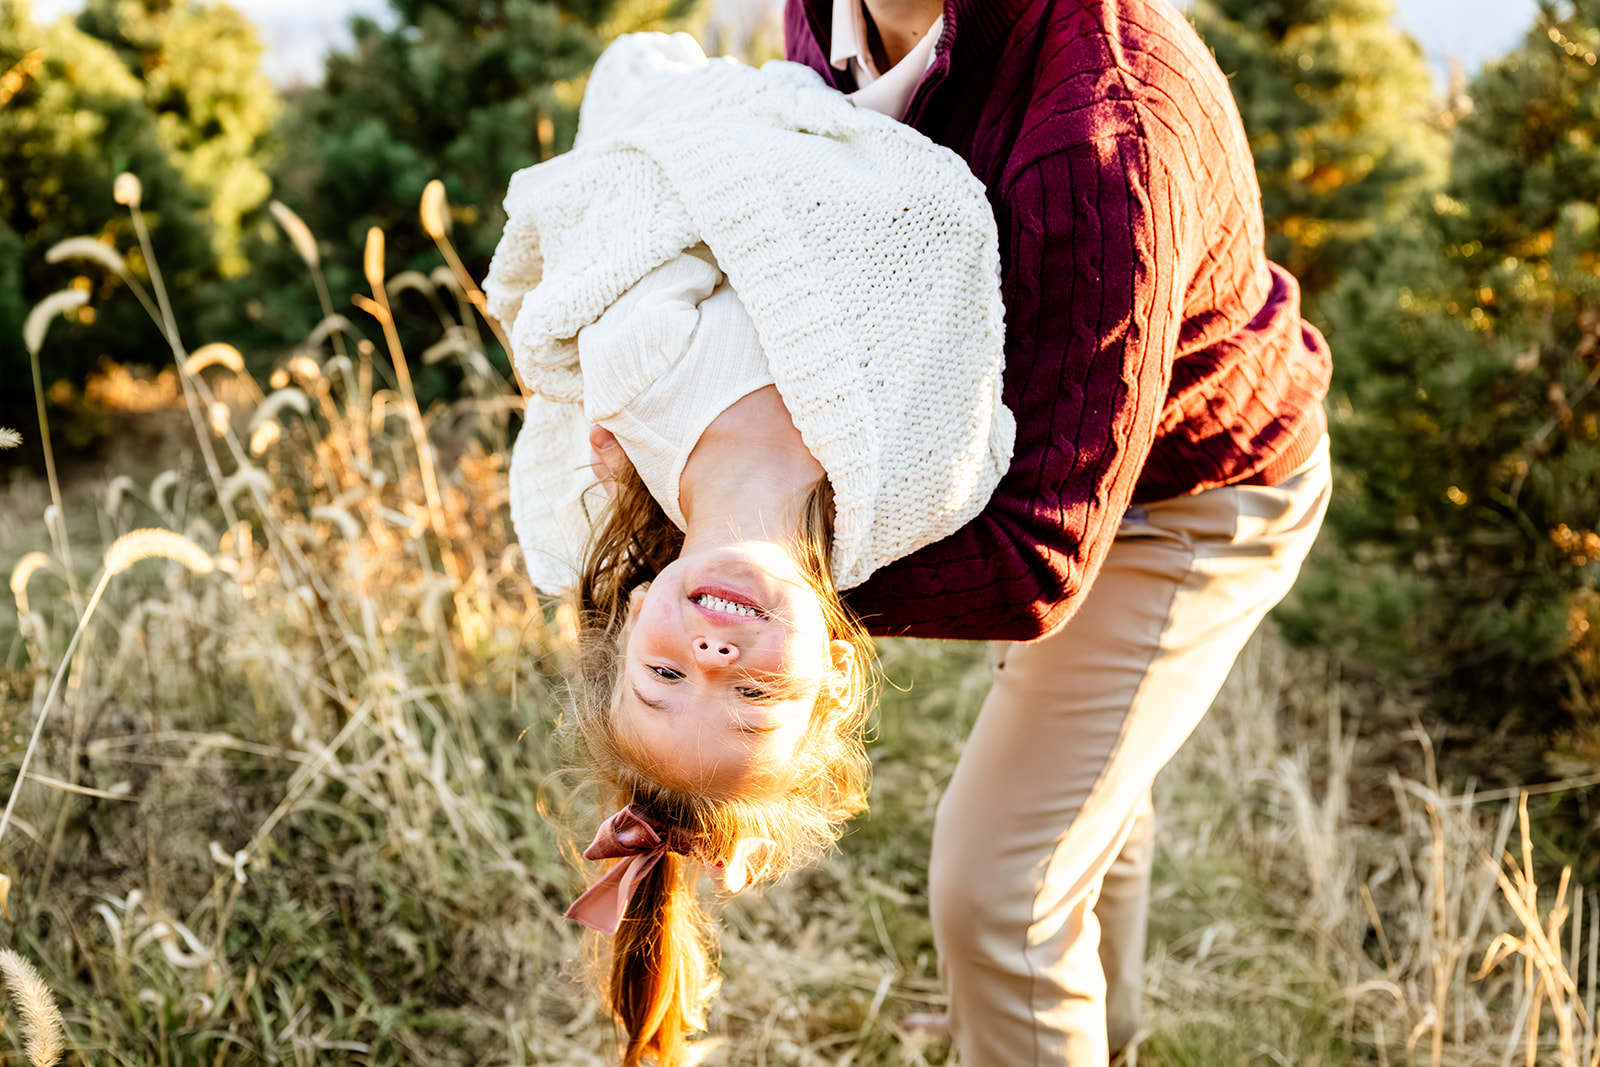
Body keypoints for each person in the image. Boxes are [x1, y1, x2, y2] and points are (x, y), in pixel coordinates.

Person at [780, 0, 1334, 1063]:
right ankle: (1067, 1027)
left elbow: (1037, 557)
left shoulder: (1103, 128)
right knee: (1075, 806)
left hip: (1191, 498)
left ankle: (1027, 1006)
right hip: (1040, 429)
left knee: (997, 886)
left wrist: (773, 576)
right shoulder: (823, 13)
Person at [484, 31, 1015, 1065]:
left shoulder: (640, 385)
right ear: (832, 677)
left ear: (633, 611)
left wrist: (832, 140)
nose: (714, 662)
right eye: (753, 698)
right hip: (913, 102)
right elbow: (961, 294)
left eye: (664, 675)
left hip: (743, 83)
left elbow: (659, 179)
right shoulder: (923, 490)